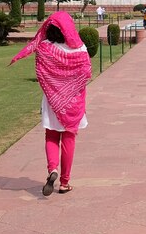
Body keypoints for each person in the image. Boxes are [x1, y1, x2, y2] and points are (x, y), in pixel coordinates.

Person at [10, 11, 93, 196]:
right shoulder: (80, 49)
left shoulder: (45, 47)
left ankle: (52, 169)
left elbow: (40, 73)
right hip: (73, 101)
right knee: (69, 138)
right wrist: (70, 88)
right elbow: (86, 73)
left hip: (52, 101)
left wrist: (56, 89)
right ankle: (64, 182)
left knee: (52, 136)